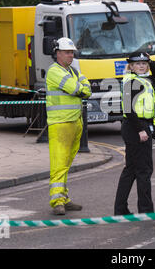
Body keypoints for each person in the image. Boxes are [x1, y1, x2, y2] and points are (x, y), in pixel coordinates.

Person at [46, 37, 92, 215]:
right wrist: (81, 88)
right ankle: (57, 201)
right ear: (58, 53)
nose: (71, 55)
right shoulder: (54, 71)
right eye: (67, 52)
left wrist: (82, 88)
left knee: (66, 163)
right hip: (60, 123)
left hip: (74, 121)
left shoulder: (72, 71)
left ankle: (63, 198)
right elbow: (77, 89)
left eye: (72, 52)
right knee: (59, 164)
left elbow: (87, 88)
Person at [114, 51, 155, 215]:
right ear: (131, 66)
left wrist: (152, 61)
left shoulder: (146, 80)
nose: (141, 66)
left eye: (144, 63)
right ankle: (146, 210)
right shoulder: (131, 82)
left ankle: (121, 209)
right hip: (135, 127)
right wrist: (141, 129)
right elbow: (128, 109)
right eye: (138, 63)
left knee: (132, 170)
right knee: (143, 170)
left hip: (141, 126)